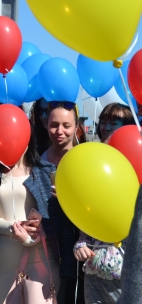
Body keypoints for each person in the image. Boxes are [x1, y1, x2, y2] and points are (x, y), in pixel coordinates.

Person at [0, 121, 61, 303]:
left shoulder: (46, 172)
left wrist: (40, 224)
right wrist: (12, 228)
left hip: (41, 258)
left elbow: (57, 215)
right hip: (4, 262)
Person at [73, 103, 134, 303]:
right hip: (94, 273)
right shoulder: (95, 163)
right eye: (103, 123)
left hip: (126, 275)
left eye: (113, 123)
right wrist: (81, 244)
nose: (106, 128)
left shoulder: (136, 166)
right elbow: (88, 214)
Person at [40, 101, 86, 304]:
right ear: (45, 124)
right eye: (54, 124)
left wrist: (71, 200)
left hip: (79, 257)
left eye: (66, 125)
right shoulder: (35, 161)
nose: (60, 131)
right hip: (43, 255)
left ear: (76, 127)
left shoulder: (86, 161)